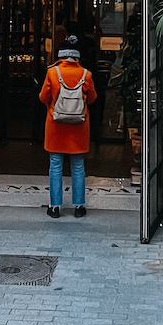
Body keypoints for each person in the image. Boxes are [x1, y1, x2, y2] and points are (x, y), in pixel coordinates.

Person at [39, 35, 96, 219]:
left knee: (55, 166)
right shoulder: (86, 74)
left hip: (56, 127)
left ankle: (55, 207)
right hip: (79, 127)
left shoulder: (52, 73)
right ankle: (79, 206)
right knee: (78, 166)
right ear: (77, 56)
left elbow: (43, 97)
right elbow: (93, 98)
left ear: (61, 56)